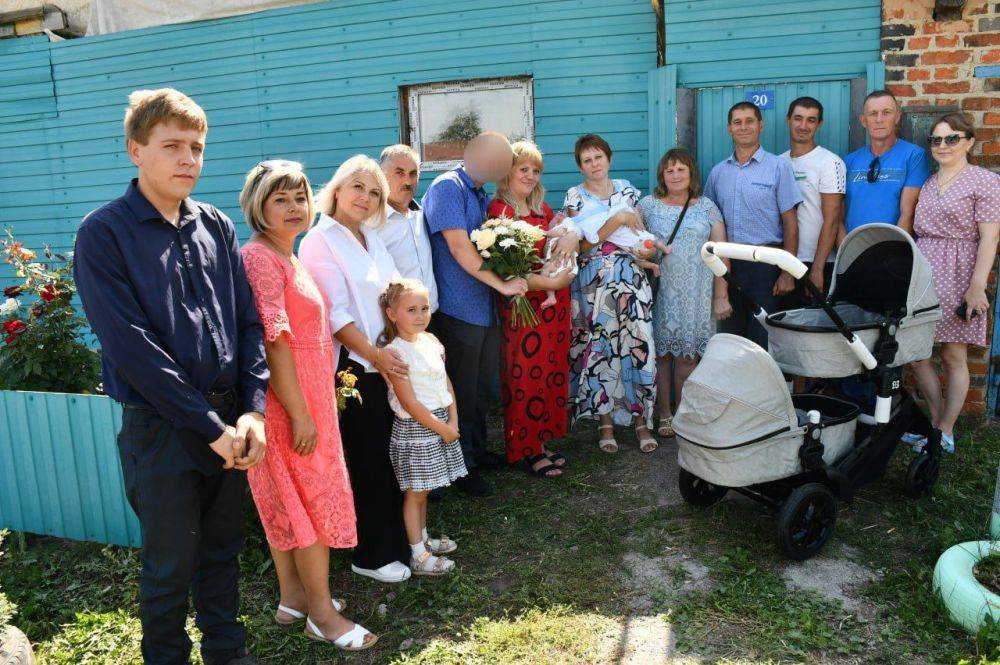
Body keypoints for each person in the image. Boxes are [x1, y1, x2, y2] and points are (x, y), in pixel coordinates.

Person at [73, 88, 268, 665]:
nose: (188, 159)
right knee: (169, 564)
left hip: (230, 421)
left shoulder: (215, 225)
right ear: (136, 150)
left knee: (221, 552)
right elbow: (133, 349)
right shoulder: (104, 233)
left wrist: (252, 409)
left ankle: (226, 652)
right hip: (162, 430)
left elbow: (248, 324)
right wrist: (210, 427)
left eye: (197, 148)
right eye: (172, 146)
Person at [238, 160, 375, 651]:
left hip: (307, 398)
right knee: (309, 505)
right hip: (289, 405)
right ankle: (321, 614)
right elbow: (274, 340)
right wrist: (299, 412)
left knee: (291, 501)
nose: (295, 207)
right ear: (258, 205)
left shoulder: (287, 255)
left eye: (299, 197)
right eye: (281, 199)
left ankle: (293, 598)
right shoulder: (260, 258)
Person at [298, 155, 412, 584]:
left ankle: (401, 541)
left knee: (391, 453)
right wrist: (377, 356)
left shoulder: (369, 237)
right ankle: (370, 554)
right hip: (354, 365)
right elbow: (335, 316)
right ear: (338, 189)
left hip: (385, 358)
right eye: (358, 187)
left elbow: (394, 291)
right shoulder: (319, 240)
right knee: (367, 459)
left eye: (375, 192)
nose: (366, 198)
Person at [422, 131, 527, 497]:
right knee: (461, 392)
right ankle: (460, 467)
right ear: (474, 153)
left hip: (481, 309)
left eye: (505, 162)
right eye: (497, 159)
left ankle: (477, 453)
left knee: (482, 389)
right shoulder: (447, 187)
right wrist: (503, 285)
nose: (502, 167)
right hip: (456, 309)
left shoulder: (479, 192)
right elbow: (459, 247)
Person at [908, 113, 1000, 454]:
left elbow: (990, 239)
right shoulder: (930, 182)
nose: (943, 145)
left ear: (969, 142)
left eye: (951, 138)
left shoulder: (983, 181)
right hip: (924, 274)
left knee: (952, 355)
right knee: (917, 355)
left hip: (960, 272)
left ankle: (946, 430)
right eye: (936, 140)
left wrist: (977, 286)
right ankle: (934, 422)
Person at [562, 133, 658, 454]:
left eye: (598, 157)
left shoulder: (627, 190)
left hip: (630, 277)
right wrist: (615, 219)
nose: (594, 164)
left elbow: (639, 234)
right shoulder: (575, 196)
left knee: (637, 344)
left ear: (609, 158)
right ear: (580, 166)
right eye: (587, 160)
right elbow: (583, 245)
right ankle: (605, 423)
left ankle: (641, 421)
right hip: (593, 281)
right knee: (601, 348)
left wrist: (647, 256)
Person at [488, 141, 574, 478]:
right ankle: (526, 447)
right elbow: (507, 271)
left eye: (535, 170)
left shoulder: (544, 209)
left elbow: (565, 241)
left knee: (549, 374)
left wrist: (569, 240)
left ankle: (542, 440)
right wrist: (552, 284)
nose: (529, 175)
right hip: (524, 305)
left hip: (553, 309)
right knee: (524, 377)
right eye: (523, 168)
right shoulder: (500, 211)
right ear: (508, 171)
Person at [638, 148, 731, 438]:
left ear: (691, 173)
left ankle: (683, 414)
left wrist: (721, 295)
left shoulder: (707, 207)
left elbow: (721, 255)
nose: (675, 175)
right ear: (662, 176)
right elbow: (633, 244)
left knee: (688, 357)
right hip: (660, 291)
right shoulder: (647, 206)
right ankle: (664, 415)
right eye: (669, 170)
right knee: (661, 356)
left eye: (681, 169)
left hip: (697, 293)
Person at [380, 279, 466, 574]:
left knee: (425, 490)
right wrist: (441, 429)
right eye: (411, 309)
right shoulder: (396, 352)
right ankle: (418, 555)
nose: (420, 315)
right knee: (415, 493)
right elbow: (409, 402)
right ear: (392, 314)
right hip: (418, 429)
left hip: (440, 421)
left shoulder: (431, 341)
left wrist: (452, 419)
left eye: (425, 308)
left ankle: (423, 539)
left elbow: (445, 381)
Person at [704, 101, 802, 349]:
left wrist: (787, 272)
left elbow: (791, 223)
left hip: (765, 266)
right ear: (729, 128)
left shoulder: (779, 167)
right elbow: (710, 223)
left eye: (750, 121)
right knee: (730, 337)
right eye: (737, 122)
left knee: (762, 339)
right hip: (727, 265)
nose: (743, 127)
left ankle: (762, 389)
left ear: (761, 125)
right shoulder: (718, 173)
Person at [780, 96, 846, 303]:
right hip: (784, 261)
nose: (803, 125)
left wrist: (817, 269)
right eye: (798, 118)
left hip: (818, 263)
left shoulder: (829, 162)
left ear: (820, 124)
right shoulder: (778, 162)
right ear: (788, 120)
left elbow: (833, 219)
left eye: (811, 120)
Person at [843, 90, 930, 234]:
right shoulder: (848, 161)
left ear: (897, 117)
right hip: (854, 247)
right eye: (873, 113)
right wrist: (845, 249)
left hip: (893, 248)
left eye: (886, 112)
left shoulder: (914, 156)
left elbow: (907, 213)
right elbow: (837, 215)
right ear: (863, 120)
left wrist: (895, 251)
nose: (879, 119)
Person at [377, 144, 438, 313]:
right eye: (399, 173)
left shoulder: (422, 216)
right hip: (396, 321)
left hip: (431, 316)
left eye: (413, 174)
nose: (407, 181)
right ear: (382, 176)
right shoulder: (371, 224)